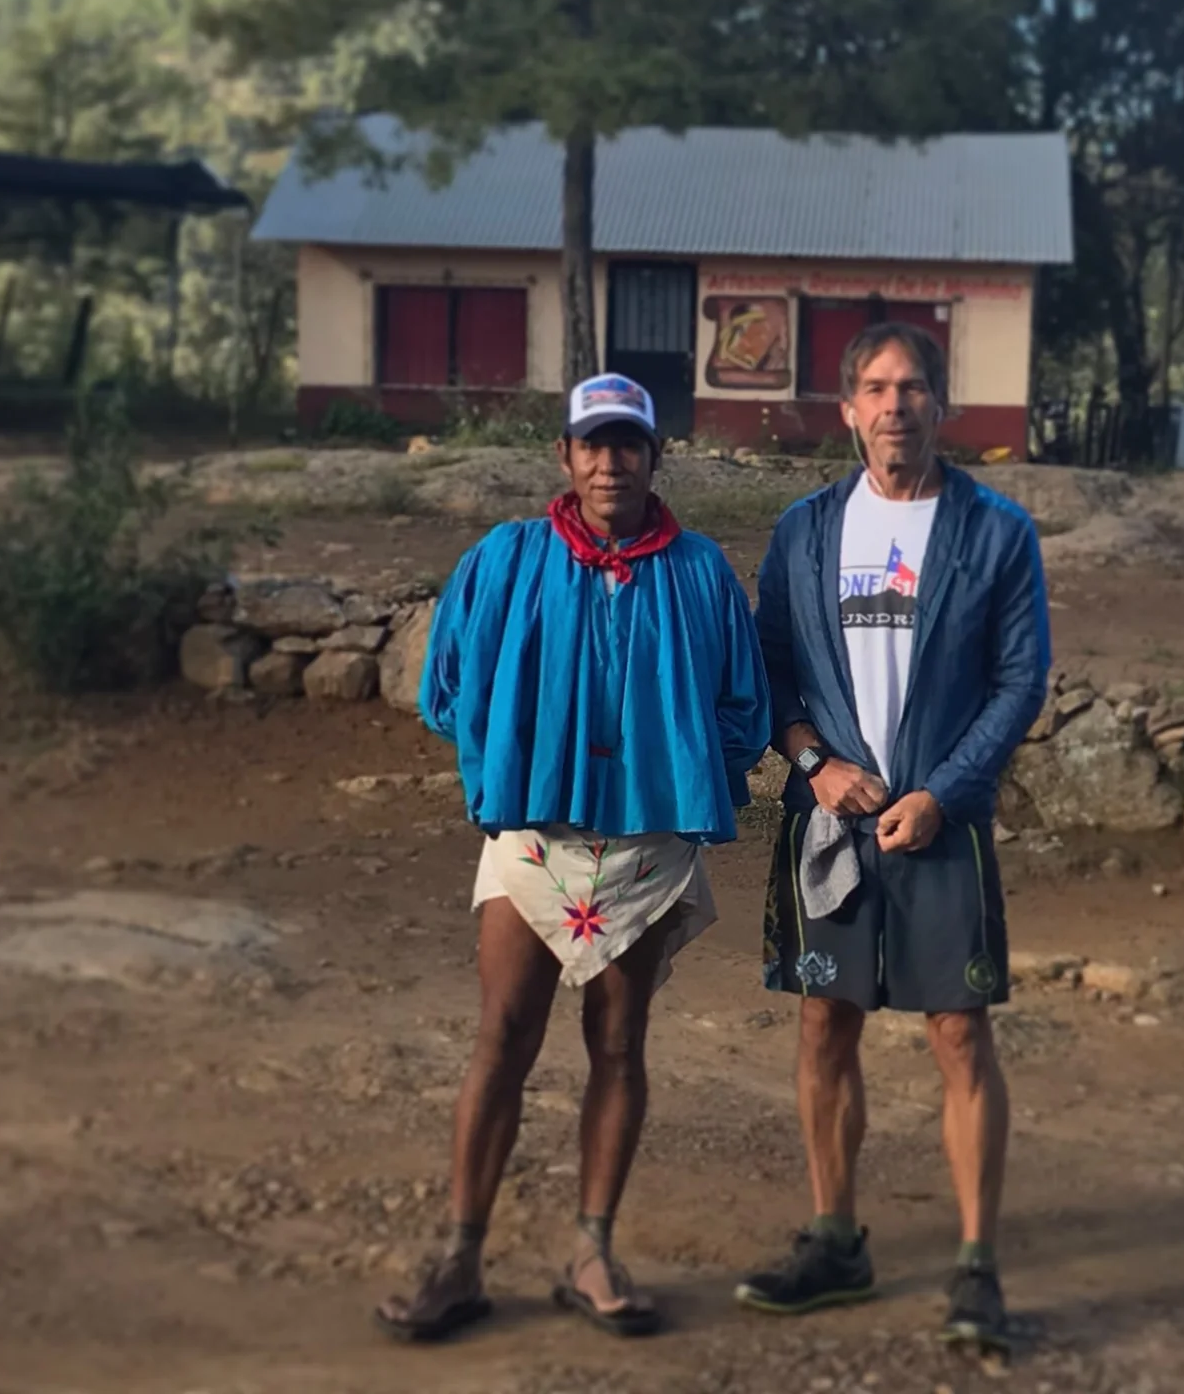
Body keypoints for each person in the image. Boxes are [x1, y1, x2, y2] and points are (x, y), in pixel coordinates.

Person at [376, 373, 770, 1343]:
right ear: (564, 456)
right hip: (533, 839)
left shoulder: (701, 571)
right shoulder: (505, 561)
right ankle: (461, 1255)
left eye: (627, 444)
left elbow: (742, 706)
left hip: (643, 847)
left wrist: (672, 779)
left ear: (655, 456)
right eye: (592, 444)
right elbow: (447, 684)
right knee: (503, 1035)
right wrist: (511, 755)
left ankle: (593, 1249)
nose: (610, 462)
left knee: (620, 1041)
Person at [736, 324, 1051, 1351]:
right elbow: (772, 666)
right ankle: (835, 1239)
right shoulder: (806, 531)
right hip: (831, 823)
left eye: (913, 388)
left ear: (940, 405)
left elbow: (1018, 681)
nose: (895, 406)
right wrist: (814, 764)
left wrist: (948, 792)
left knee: (959, 1033)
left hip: (939, 827)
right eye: (875, 388)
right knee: (825, 1021)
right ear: (848, 409)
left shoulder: (996, 533)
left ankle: (975, 1268)